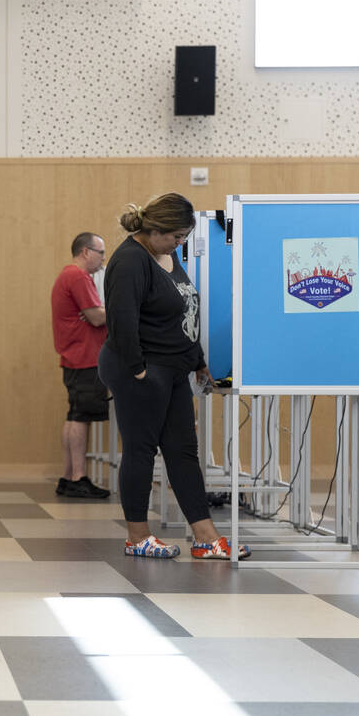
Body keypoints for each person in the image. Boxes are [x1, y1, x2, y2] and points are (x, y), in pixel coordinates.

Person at [96, 192, 249, 560]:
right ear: (154, 229)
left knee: (183, 451)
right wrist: (139, 370)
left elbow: (186, 312)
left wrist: (197, 359)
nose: (181, 243)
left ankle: (205, 536)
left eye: (184, 236)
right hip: (140, 368)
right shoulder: (131, 260)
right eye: (176, 236)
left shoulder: (167, 254)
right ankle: (137, 537)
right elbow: (122, 321)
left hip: (174, 367)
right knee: (142, 450)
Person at [50, 232, 111, 498]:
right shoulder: (78, 277)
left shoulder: (70, 276)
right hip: (84, 356)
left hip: (78, 355)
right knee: (80, 416)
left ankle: (68, 475)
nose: (103, 259)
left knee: (75, 414)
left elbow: (93, 315)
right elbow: (97, 317)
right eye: (101, 252)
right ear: (86, 252)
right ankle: (77, 477)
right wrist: (121, 310)